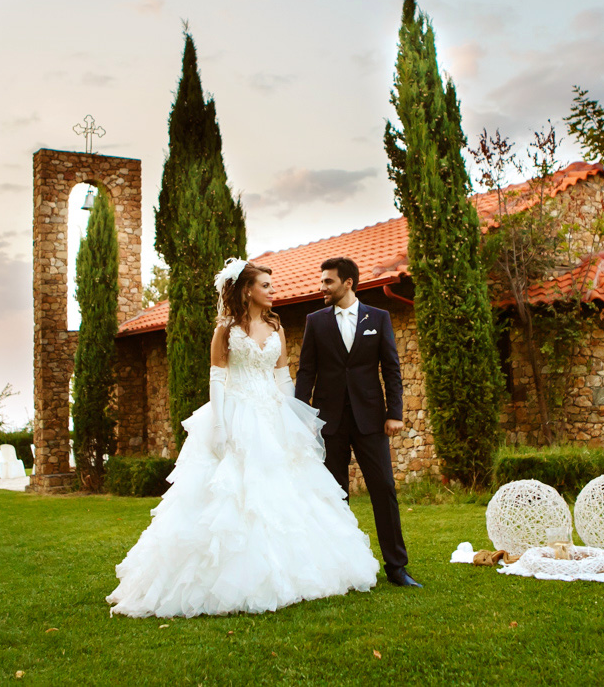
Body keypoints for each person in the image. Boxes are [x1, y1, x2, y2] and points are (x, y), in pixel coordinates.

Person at [107, 259, 379, 618]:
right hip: (237, 413)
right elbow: (217, 378)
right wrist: (220, 425)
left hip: (272, 413)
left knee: (287, 495)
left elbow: (283, 376)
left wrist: (297, 417)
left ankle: (292, 572)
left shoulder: (276, 327)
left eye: (271, 284)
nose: (272, 290)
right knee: (236, 494)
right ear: (247, 290)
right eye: (266, 285)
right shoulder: (226, 330)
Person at [295, 257, 421, 588]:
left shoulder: (378, 318)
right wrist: (300, 417)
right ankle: (339, 569)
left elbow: (391, 368)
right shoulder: (315, 321)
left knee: (384, 489)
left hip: (371, 420)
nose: (322, 287)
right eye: (322, 281)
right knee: (335, 495)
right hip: (329, 422)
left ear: (348, 283)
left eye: (328, 282)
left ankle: (397, 567)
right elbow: (306, 371)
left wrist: (395, 412)